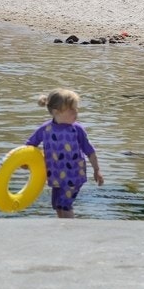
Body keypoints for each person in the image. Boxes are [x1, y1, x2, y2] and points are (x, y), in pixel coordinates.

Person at [25, 89, 104, 219]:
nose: (76, 112)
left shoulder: (76, 129)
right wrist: (25, 162)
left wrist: (97, 170)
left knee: (65, 205)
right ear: (56, 111)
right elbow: (29, 145)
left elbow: (90, 151)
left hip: (74, 175)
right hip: (55, 175)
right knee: (57, 205)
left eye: (76, 108)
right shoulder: (45, 129)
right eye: (71, 109)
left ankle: (70, 229)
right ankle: (62, 227)